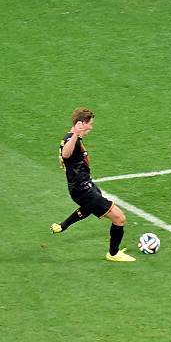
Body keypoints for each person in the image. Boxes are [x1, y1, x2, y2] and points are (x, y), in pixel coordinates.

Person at [50, 108, 135, 262]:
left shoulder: (71, 138)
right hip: (82, 189)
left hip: (85, 186)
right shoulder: (72, 139)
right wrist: (76, 133)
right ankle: (113, 254)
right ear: (81, 124)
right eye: (89, 124)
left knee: (89, 208)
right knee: (119, 218)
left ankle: (63, 225)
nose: (91, 127)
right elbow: (66, 154)